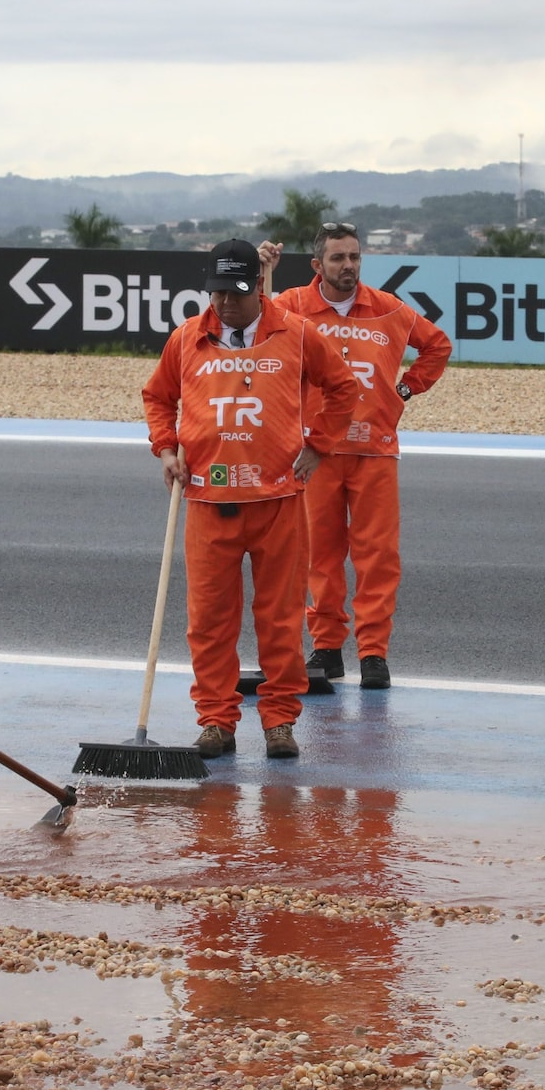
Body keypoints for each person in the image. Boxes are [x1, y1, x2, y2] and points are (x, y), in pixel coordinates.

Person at [141, 239, 362, 760]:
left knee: (280, 618)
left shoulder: (298, 334)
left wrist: (318, 445)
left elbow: (344, 389)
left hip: (278, 501)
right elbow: (158, 397)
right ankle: (217, 721)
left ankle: (279, 722)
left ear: (258, 287)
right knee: (209, 622)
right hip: (207, 501)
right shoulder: (187, 339)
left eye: (235, 293)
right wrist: (166, 449)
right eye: (216, 292)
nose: (223, 303)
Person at [264, 225, 452, 690]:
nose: (348, 265)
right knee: (319, 556)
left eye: (354, 256)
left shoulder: (388, 308)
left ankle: (373, 654)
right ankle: (326, 649)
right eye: (337, 258)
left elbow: (438, 345)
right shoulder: (294, 306)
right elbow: (257, 327)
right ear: (317, 266)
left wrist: (403, 390)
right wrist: (263, 271)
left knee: (378, 557)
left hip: (375, 451)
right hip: (315, 452)